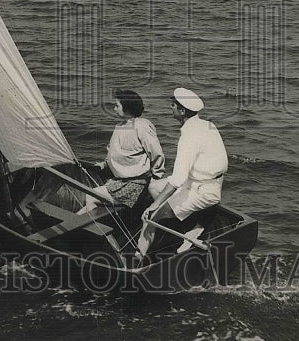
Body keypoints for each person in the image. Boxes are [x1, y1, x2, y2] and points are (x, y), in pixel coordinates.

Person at [136, 86, 227, 256]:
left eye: (172, 105)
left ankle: (138, 258)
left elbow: (178, 178)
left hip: (202, 191)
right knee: (154, 187)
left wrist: (154, 207)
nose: (170, 107)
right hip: (208, 184)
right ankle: (188, 224)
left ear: (182, 111)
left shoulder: (188, 137)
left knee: (151, 218)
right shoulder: (207, 124)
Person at [78, 88, 165, 213]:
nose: (114, 109)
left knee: (91, 195)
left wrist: (156, 177)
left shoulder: (141, 126)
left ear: (127, 107)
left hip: (134, 184)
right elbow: (115, 152)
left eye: (116, 106)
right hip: (119, 181)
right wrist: (105, 164)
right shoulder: (120, 126)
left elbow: (156, 152)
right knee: (90, 199)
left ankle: (95, 230)